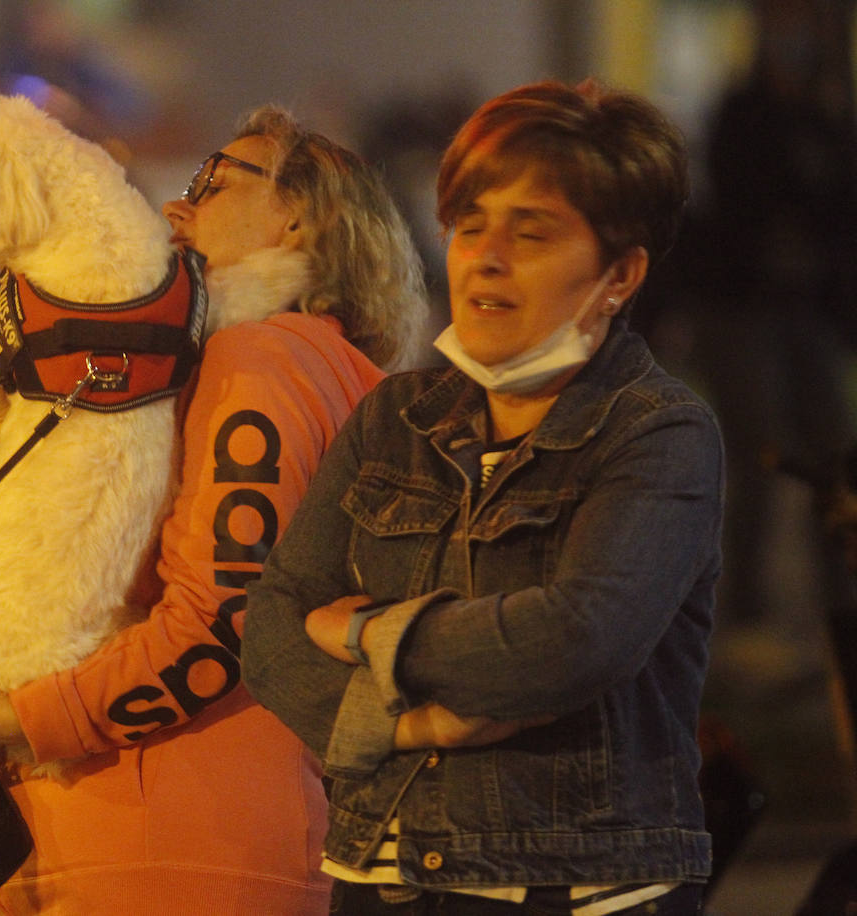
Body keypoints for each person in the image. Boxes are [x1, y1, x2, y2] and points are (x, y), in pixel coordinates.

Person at [0, 105, 429, 914]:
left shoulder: (261, 354)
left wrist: (21, 718)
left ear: (300, 220)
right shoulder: (280, 371)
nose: (175, 207)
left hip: (170, 852)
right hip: (154, 845)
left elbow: (224, 617)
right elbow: (45, 577)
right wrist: (2, 411)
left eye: (212, 182)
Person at [241, 79, 724, 916]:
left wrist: (365, 630)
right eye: (469, 225)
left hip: (573, 887)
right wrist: (410, 726)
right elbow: (274, 637)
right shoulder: (396, 416)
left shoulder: (657, 432)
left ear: (620, 273)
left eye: (530, 231)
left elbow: (574, 641)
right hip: (380, 878)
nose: (486, 255)